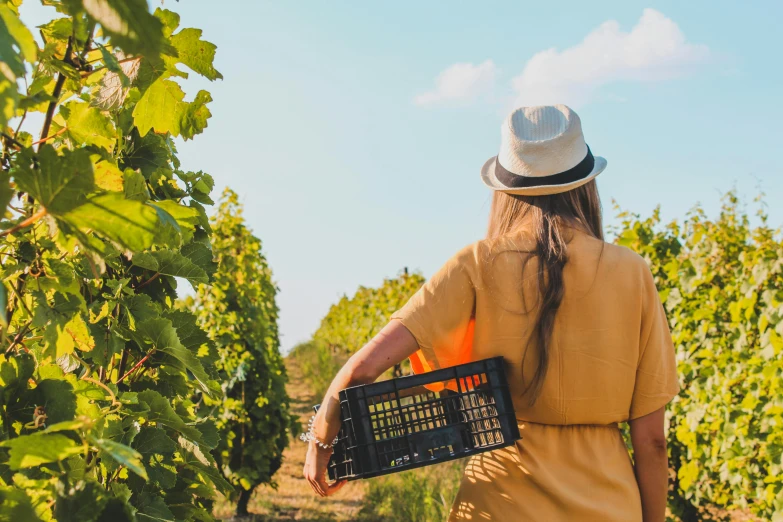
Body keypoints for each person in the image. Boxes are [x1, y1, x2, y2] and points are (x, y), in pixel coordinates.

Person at [303, 105, 680, 522]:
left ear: (504, 189)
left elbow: (360, 371)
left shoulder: (477, 263)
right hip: (609, 506)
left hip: (498, 503)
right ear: (585, 185)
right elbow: (651, 443)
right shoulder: (632, 272)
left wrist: (321, 440)